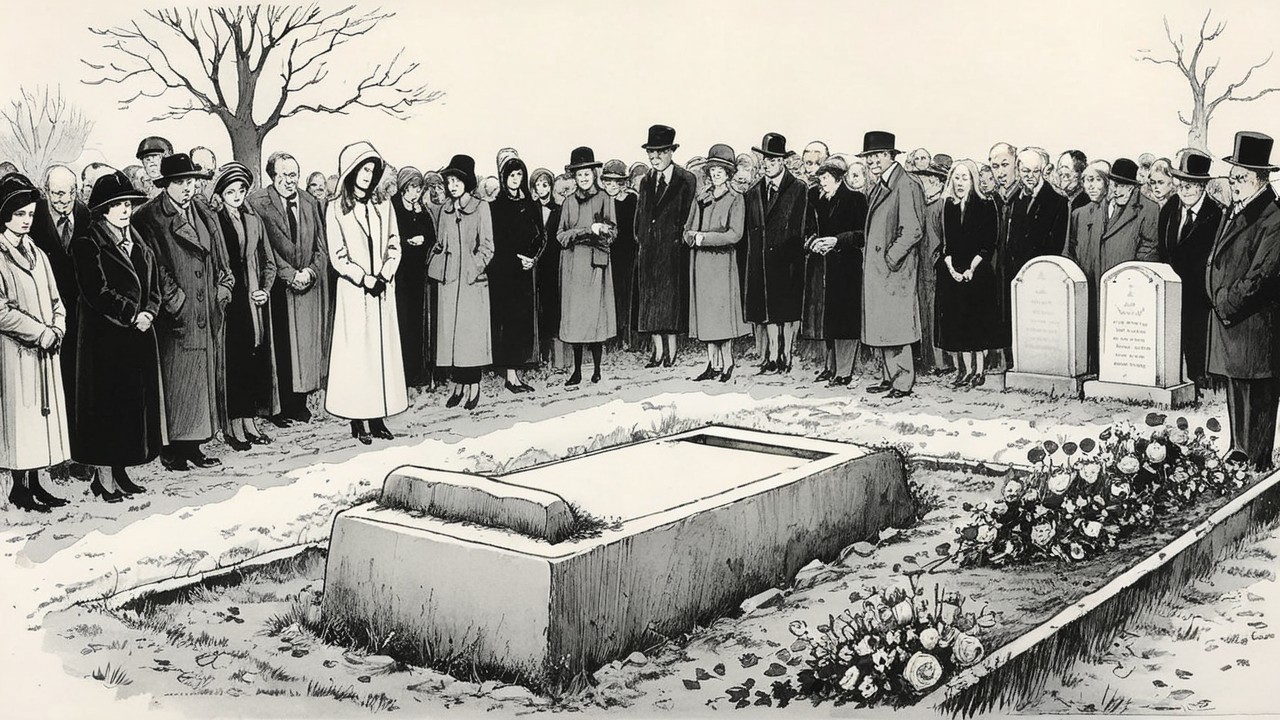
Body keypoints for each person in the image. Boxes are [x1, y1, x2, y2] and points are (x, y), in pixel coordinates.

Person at [132, 153, 232, 472]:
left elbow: (220, 256)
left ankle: (195, 446)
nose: (187, 188)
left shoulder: (202, 210)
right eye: (179, 182)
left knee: (200, 383)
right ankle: (173, 450)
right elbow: (153, 266)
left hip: (206, 310)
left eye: (190, 181)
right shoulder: (148, 216)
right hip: (175, 318)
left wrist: (224, 287)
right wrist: (178, 302)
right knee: (178, 385)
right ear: (166, 185)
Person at [71, 171, 165, 504]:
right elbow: (96, 291)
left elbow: (154, 286)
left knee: (129, 408)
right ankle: (104, 479)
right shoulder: (87, 242)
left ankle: (122, 473)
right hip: (104, 341)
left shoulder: (138, 239)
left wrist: (150, 312)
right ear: (102, 210)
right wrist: (131, 314)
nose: (125, 210)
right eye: (117, 205)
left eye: (128, 204)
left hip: (137, 338)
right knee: (106, 408)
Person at [1206, 131, 1280, 470]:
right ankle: (1239, 455)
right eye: (1232, 176)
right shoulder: (1237, 209)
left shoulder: (1273, 217)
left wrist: (1224, 302)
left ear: (1260, 180)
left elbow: (1261, 278)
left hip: (1256, 328)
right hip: (1233, 326)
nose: (1234, 183)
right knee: (1237, 396)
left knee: (1259, 401)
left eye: (1241, 177)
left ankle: (1257, 466)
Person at [325, 141, 407, 441]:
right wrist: (363, 278)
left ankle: (378, 416)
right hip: (355, 292)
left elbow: (394, 242)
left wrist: (386, 272)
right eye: (362, 169)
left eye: (372, 170)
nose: (367, 176)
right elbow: (338, 255)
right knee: (358, 355)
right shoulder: (336, 208)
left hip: (382, 291)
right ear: (351, 171)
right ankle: (358, 419)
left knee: (381, 354)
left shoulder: (383, 205)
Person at [0, 173, 71, 512]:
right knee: (21, 419)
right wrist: (38, 332)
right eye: (19, 214)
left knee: (42, 419)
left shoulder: (39, 253)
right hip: (15, 353)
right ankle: (19, 487)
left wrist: (57, 327)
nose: (26, 220)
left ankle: (37, 482)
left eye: (30, 214)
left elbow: (57, 300)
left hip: (46, 350)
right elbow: (1, 311)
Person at [248, 152, 331, 427]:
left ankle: (298, 405)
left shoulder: (309, 201)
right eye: (283, 175)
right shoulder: (258, 202)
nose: (289, 181)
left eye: (293, 175)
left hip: (307, 287)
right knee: (280, 349)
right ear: (272, 176)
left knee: (303, 350)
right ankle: (277, 409)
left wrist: (311, 272)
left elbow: (321, 247)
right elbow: (264, 250)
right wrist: (290, 275)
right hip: (277, 288)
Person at [29, 165, 93, 481]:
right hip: (46, 316)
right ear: (46, 191)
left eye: (70, 193)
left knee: (78, 386)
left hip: (80, 315)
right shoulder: (34, 217)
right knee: (51, 388)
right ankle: (54, 459)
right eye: (57, 194)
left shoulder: (85, 214)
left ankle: (79, 454)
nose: (64, 200)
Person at [211, 162, 279, 451]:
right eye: (230, 191)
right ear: (221, 194)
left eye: (241, 190)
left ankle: (250, 422)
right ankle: (233, 426)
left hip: (251, 298)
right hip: (229, 299)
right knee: (233, 362)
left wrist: (265, 289)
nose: (237, 196)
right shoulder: (214, 221)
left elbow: (269, 260)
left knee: (252, 359)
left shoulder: (253, 218)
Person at [1146, 151, 1222, 391]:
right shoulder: (1170, 208)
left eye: (1189, 186)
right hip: (1172, 290)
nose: (1183, 191)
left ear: (1202, 186)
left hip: (1200, 294)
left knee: (1197, 341)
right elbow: (1163, 248)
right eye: (1180, 185)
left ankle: (1201, 382)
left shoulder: (1216, 214)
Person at [859, 131, 926, 398]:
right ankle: (889, 377)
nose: (872, 161)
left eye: (877, 156)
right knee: (884, 326)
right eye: (869, 157)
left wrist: (890, 257)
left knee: (896, 328)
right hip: (880, 272)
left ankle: (902, 382)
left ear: (890, 156)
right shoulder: (880, 185)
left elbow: (913, 230)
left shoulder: (905, 184)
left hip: (895, 272)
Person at [431, 154, 495, 409]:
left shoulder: (481, 207)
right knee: (452, 339)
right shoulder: (445, 210)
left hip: (471, 283)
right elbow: (440, 243)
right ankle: (458, 385)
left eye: (457, 180)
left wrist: (472, 268)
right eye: (449, 181)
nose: (452, 185)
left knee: (470, 339)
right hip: (449, 283)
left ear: (467, 182)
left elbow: (488, 247)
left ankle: (474, 385)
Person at [743, 132, 808, 374]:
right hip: (761, 261)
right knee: (768, 312)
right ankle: (772, 356)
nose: (767, 165)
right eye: (765, 160)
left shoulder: (798, 188)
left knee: (787, 312)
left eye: (772, 160)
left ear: (782, 161)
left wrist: (792, 253)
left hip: (788, 260)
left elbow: (802, 225)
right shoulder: (754, 191)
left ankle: (787, 355)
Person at [684, 144, 749, 382]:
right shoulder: (701, 198)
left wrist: (705, 238)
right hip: (701, 264)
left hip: (722, 265)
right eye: (713, 170)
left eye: (721, 170)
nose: (716, 174)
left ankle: (728, 363)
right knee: (707, 315)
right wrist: (690, 236)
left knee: (721, 315)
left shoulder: (736, 198)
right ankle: (712, 364)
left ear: (728, 173)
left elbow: (735, 234)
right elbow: (688, 228)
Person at [801, 155, 867, 386]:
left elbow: (862, 234)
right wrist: (812, 243)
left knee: (845, 320)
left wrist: (837, 240)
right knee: (827, 319)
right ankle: (830, 367)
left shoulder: (856, 199)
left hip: (846, 268)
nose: (822, 182)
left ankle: (844, 371)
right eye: (820, 178)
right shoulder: (815, 198)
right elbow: (807, 227)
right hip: (822, 267)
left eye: (826, 178)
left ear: (839, 179)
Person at [935, 160, 1002, 389]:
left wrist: (971, 269)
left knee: (977, 323)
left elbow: (988, 244)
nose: (960, 182)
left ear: (973, 180)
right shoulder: (949, 205)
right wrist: (951, 268)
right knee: (959, 323)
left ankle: (979, 370)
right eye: (957, 178)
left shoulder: (986, 205)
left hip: (978, 272)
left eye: (965, 178)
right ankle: (963, 371)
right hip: (954, 273)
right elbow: (947, 244)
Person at [634, 125, 696, 369]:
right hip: (649, 252)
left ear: (671, 151)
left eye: (660, 152)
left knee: (670, 304)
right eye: (651, 152)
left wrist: (679, 240)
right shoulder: (645, 181)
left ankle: (672, 352)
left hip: (673, 252)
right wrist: (642, 239)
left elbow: (690, 215)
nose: (655, 157)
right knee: (650, 303)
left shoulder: (685, 179)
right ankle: (657, 352)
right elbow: (640, 216)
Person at [557, 146, 617, 385]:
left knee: (595, 319)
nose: (583, 178)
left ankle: (598, 369)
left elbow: (613, 232)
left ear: (594, 174)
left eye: (587, 173)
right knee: (576, 320)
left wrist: (603, 231)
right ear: (574, 177)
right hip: (573, 267)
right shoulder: (568, 202)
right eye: (579, 174)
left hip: (595, 266)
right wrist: (585, 231)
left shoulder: (604, 198)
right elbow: (561, 236)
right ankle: (577, 371)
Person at [489, 154, 543, 392]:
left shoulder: (531, 204)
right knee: (508, 322)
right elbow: (496, 241)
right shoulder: (496, 206)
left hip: (524, 271)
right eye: (511, 175)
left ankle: (517, 373)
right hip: (504, 273)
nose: (515, 179)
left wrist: (532, 258)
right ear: (504, 178)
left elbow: (540, 236)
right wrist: (513, 259)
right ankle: (510, 376)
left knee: (522, 322)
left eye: (519, 175)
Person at [389, 166, 437, 389]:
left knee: (417, 323)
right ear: (403, 187)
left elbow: (432, 236)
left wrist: (424, 240)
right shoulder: (393, 207)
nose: (415, 193)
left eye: (418, 188)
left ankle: (417, 372)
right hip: (399, 274)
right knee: (402, 322)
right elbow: (389, 237)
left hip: (418, 274)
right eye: (412, 188)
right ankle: (401, 374)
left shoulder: (422, 209)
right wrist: (407, 242)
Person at [1065, 160, 1112, 373]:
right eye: (1087, 180)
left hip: (1104, 279)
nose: (1091, 186)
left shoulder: (1112, 213)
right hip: (1084, 279)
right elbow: (1070, 248)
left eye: (1097, 180)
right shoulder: (1078, 214)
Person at [910, 155, 952, 375]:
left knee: (937, 313)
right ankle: (928, 360)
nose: (926, 182)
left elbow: (945, 238)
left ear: (940, 182)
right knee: (924, 313)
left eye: (930, 179)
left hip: (935, 267)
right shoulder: (922, 204)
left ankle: (942, 362)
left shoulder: (942, 205)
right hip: (921, 266)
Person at [531, 167, 566, 370]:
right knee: (537, 311)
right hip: (534, 266)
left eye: (545, 184)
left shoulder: (559, 210)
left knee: (552, 309)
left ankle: (557, 359)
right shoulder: (530, 209)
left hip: (553, 265)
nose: (542, 188)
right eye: (538, 185)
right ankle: (539, 357)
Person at [601, 160, 638, 351]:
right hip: (609, 254)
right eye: (608, 182)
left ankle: (628, 337)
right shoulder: (602, 201)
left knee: (628, 295)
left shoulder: (633, 200)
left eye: (616, 182)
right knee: (611, 296)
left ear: (623, 182)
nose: (612, 186)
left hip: (629, 254)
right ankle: (611, 338)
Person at [1098, 158, 1160, 268]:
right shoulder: (1101, 204)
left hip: (1127, 274)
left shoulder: (1149, 209)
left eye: (1121, 186)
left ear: (1132, 187)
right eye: (1114, 185)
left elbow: (1149, 250)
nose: (1116, 191)